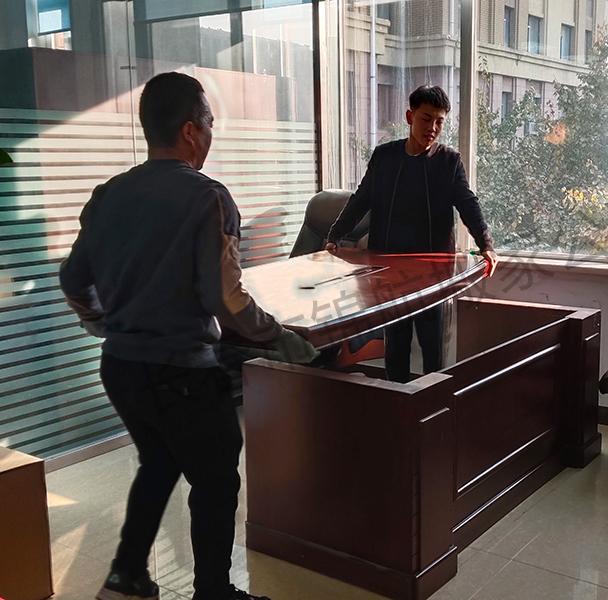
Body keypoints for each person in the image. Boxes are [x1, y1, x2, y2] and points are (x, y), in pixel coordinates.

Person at [59, 72, 317, 600]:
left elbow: (73, 279)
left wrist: (104, 323)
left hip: (121, 369)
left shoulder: (108, 195)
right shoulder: (209, 199)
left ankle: (127, 575)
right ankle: (212, 593)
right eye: (210, 123)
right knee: (217, 479)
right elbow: (225, 297)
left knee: (159, 460)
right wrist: (277, 338)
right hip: (181, 372)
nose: (211, 134)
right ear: (190, 131)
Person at [326, 85, 498, 383]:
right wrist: (335, 235)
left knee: (433, 349)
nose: (432, 128)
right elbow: (361, 199)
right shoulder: (385, 157)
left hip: (432, 273)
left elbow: (468, 204)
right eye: (426, 119)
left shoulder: (449, 162)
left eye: (439, 122)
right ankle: (396, 404)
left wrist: (486, 244)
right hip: (390, 271)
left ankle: (433, 406)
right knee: (396, 345)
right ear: (410, 117)